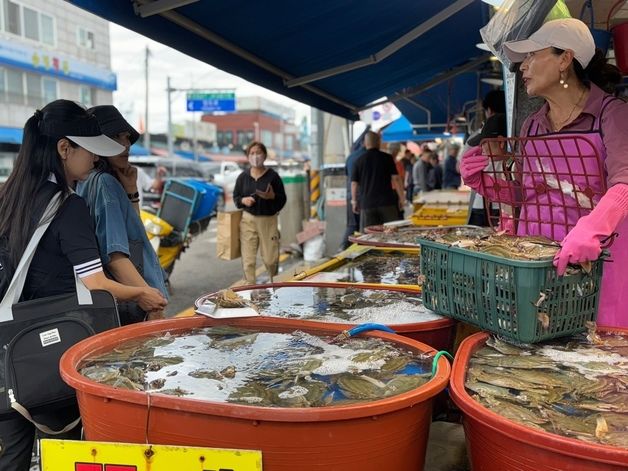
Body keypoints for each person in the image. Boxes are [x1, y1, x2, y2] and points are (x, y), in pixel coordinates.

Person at [0, 100, 167, 471]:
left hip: (8, 354)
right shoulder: (68, 206)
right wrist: (141, 293)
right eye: (90, 150)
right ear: (64, 148)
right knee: (62, 454)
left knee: (12, 456)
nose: (94, 160)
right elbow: (96, 282)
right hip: (52, 352)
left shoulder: (8, 196)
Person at [461, 18, 626, 327]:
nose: (523, 66)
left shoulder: (612, 115)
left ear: (565, 59)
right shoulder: (533, 125)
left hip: (600, 262)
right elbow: (528, 195)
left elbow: (625, 183)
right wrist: (485, 183)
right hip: (540, 265)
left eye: (533, 55)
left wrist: (592, 227)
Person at [77, 105, 169, 325]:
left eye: (127, 137)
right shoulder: (105, 183)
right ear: (97, 142)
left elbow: (133, 237)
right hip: (132, 304)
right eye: (117, 137)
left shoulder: (86, 180)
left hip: (114, 303)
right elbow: (115, 256)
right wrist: (150, 299)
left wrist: (131, 192)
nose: (126, 144)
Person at [233, 142, 286, 284]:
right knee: (248, 261)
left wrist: (272, 197)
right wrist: (243, 200)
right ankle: (250, 292)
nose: (255, 156)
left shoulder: (273, 177)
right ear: (248, 156)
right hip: (248, 220)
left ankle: (274, 287)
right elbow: (236, 197)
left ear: (265, 155)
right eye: (252, 153)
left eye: (258, 153)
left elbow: (282, 199)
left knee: (270, 260)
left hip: (268, 220)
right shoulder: (243, 177)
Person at [465, 90, 506, 227]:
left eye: (484, 144)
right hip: (487, 204)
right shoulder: (513, 129)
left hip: (496, 206)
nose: (482, 149)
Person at [351, 131, 405, 231]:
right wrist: (402, 198)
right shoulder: (387, 158)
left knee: (368, 235)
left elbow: (354, 184)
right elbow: (396, 179)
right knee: (392, 233)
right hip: (387, 203)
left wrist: (354, 201)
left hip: (367, 204)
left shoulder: (358, 161)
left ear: (365, 143)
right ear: (378, 142)